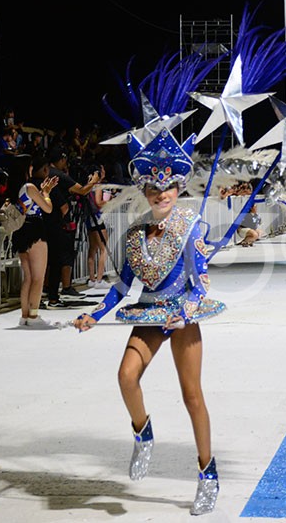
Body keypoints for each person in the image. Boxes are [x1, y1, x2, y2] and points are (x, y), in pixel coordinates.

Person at [74, 129, 225, 516]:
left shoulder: (191, 227)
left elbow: (200, 285)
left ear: (178, 188)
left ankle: (208, 473)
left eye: (168, 188)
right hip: (149, 312)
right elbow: (123, 285)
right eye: (154, 189)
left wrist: (185, 313)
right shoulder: (135, 232)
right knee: (126, 376)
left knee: (192, 396)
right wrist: (94, 314)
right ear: (144, 190)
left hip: (181, 316)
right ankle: (143, 433)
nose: (161, 195)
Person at [43, 146, 102, 309]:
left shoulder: (46, 174)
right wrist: (93, 181)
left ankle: (47, 289)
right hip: (58, 221)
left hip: (45, 220)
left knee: (49, 259)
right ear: (62, 159)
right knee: (62, 256)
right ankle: (62, 289)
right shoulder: (59, 175)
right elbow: (82, 191)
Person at [11, 156, 59, 328]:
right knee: (38, 277)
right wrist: (46, 193)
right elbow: (48, 208)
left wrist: (44, 192)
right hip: (34, 230)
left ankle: (25, 316)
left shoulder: (15, 188)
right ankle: (33, 315)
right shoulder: (29, 187)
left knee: (28, 277)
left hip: (21, 231)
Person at [84, 174, 112, 289]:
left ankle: (92, 279)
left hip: (89, 218)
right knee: (103, 249)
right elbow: (98, 202)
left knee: (92, 248)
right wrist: (110, 201)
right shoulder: (98, 186)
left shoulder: (86, 186)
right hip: (97, 218)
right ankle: (99, 280)